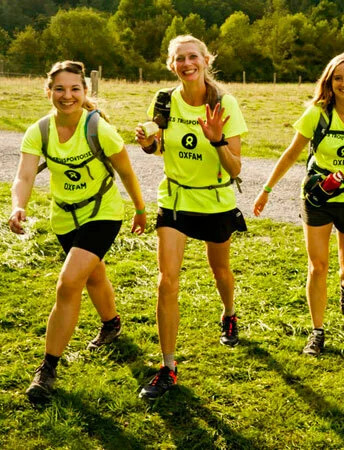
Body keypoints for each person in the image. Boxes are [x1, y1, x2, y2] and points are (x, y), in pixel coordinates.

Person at [9, 61, 147, 403]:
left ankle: (47, 370)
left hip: (103, 212)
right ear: (48, 91)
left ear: (85, 92)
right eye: (59, 88)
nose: (67, 95)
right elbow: (24, 176)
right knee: (93, 275)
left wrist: (140, 209)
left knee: (69, 282)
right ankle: (112, 324)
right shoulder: (39, 131)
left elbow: (127, 172)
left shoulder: (99, 128)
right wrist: (18, 205)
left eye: (74, 89)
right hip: (64, 217)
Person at [253, 52, 344, 356]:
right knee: (317, 266)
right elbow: (292, 153)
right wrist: (266, 189)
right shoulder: (317, 113)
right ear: (329, 82)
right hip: (318, 197)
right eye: (337, 78)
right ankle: (317, 331)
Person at [134, 35, 247, 399]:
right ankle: (168, 367)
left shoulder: (224, 103)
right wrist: (148, 144)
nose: (187, 63)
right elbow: (160, 147)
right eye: (179, 58)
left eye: (193, 56)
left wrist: (217, 139)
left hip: (215, 200)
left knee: (220, 271)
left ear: (206, 59)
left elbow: (235, 168)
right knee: (166, 281)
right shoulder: (164, 100)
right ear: (172, 65)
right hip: (176, 199)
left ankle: (229, 313)